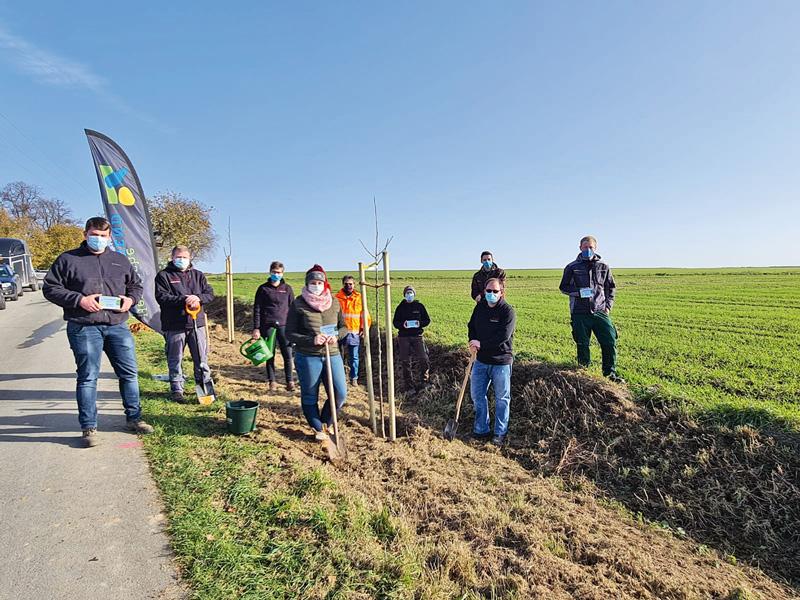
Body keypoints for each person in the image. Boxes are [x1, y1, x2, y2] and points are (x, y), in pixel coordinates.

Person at [43, 216, 153, 447]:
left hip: (117, 326)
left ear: (109, 237)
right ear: (85, 234)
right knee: (87, 378)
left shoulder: (119, 260)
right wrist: (78, 300)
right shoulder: (68, 259)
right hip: (83, 326)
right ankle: (89, 427)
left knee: (129, 374)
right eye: (94, 235)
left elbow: (136, 285)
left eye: (103, 236)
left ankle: (134, 419)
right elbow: (51, 288)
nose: (99, 239)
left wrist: (130, 300)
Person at [285, 265, 348, 440]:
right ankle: (318, 428)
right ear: (307, 284)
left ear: (325, 284)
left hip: (332, 353)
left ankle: (327, 422)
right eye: (313, 282)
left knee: (339, 393)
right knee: (310, 394)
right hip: (308, 356)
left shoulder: (334, 302)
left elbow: (344, 327)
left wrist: (336, 335)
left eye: (320, 282)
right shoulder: (298, 304)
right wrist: (311, 340)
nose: (316, 285)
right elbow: (289, 333)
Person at [155, 245, 215, 402]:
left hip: (197, 323)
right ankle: (177, 389)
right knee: (175, 357)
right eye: (178, 257)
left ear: (190, 259)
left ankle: (204, 386)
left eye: (185, 257)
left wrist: (198, 298)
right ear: (172, 258)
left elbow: (209, 294)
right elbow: (162, 297)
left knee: (201, 357)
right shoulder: (164, 276)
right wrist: (184, 300)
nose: (181, 260)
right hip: (174, 324)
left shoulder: (198, 275)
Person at [559, 235, 623, 382]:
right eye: (585, 247)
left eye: (591, 247)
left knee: (609, 341)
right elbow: (563, 287)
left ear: (595, 248)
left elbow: (610, 287)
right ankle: (585, 374)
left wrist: (608, 306)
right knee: (583, 344)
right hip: (579, 312)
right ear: (580, 248)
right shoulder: (572, 267)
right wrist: (578, 292)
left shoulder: (603, 266)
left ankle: (610, 373)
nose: (588, 250)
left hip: (600, 311)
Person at [467, 278, 515, 446]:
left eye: (495, 291)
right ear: (484, 292)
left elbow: (503, 336)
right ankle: (481, 429)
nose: (492, 294)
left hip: (501, 362)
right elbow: (471, 326)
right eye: (489, 291)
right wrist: (472, 340)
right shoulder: (480, 308)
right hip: (480, 361)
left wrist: (483, 344)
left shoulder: (507, 311)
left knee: (502, 398)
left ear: (501, 293)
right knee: (477, 395)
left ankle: (499, 433)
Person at [252, 261, 296, 392]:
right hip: (268, 326)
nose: (276, 274)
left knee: (287, 354)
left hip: (284, 325)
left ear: (282, 273)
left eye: (278, 272)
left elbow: (293, 308)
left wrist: (294, 326)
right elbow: (257, 309)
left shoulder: (287, 289)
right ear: (270, 272)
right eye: (274, 272)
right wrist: (256, 328)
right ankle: (272, 381)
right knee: (269, 355)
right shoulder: (263, 289)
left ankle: (290, 381)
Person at [392, 285, 431, 394]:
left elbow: (427, 320)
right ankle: (409, 386)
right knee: (406, 362)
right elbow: (395, 323)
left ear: (414, 294)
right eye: (407, 293)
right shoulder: (400, 308)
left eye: (411, 292)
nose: (409, 295)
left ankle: (425, 382)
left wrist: (420, 324)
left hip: (417, 337)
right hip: (404, 338)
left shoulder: (419, 306)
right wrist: (402, 325)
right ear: (404, 295)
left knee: (424, 358)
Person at [334, 275, 372, 386]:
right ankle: (339, 377)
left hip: (354, 331)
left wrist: (364, 328)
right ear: (343, 284)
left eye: (350, 284)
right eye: (346, 284)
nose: (348, 286)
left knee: (354, 357)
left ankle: (354, 378)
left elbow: (365, 315)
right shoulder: (336, 298)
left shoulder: (360, 298)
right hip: (340, 331)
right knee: (338, 355)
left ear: (354, 285)